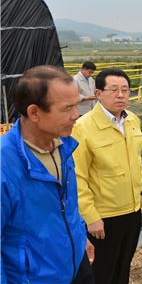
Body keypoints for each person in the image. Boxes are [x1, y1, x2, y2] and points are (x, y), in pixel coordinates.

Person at [1, 65, 94, 283]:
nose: (76, 115)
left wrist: (80, 237)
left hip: (76, 265)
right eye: (66, 108)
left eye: (77, 104)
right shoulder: (5, 165)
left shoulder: (64, 145)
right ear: (34, 112)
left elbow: (67, 204)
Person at [72, 67, 142, 284]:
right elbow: (77, 176)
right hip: (103, 218)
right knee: (102, 272)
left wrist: (139, 192)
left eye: (125, 90)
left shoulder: (132, 120)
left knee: (123, 268)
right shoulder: (83, 128)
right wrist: (90, 216)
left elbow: (137, 161)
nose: (120, 95)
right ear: (98, 93)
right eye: (113, 90)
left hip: (132, 211)